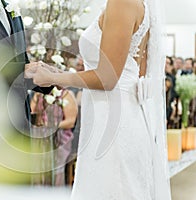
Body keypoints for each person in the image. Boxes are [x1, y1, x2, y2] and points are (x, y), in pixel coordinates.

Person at [25, 0, 171, 199]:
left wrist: (54, 78)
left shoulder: (122, 2)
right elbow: (121, 71)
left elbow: (107, 78)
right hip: (117, 115)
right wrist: (59, 73)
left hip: (113, 124)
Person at [0, 0, 53, 136]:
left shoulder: (12, 10)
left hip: (19, 117)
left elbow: (21, 63)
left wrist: (47, 78)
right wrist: (23, 69)